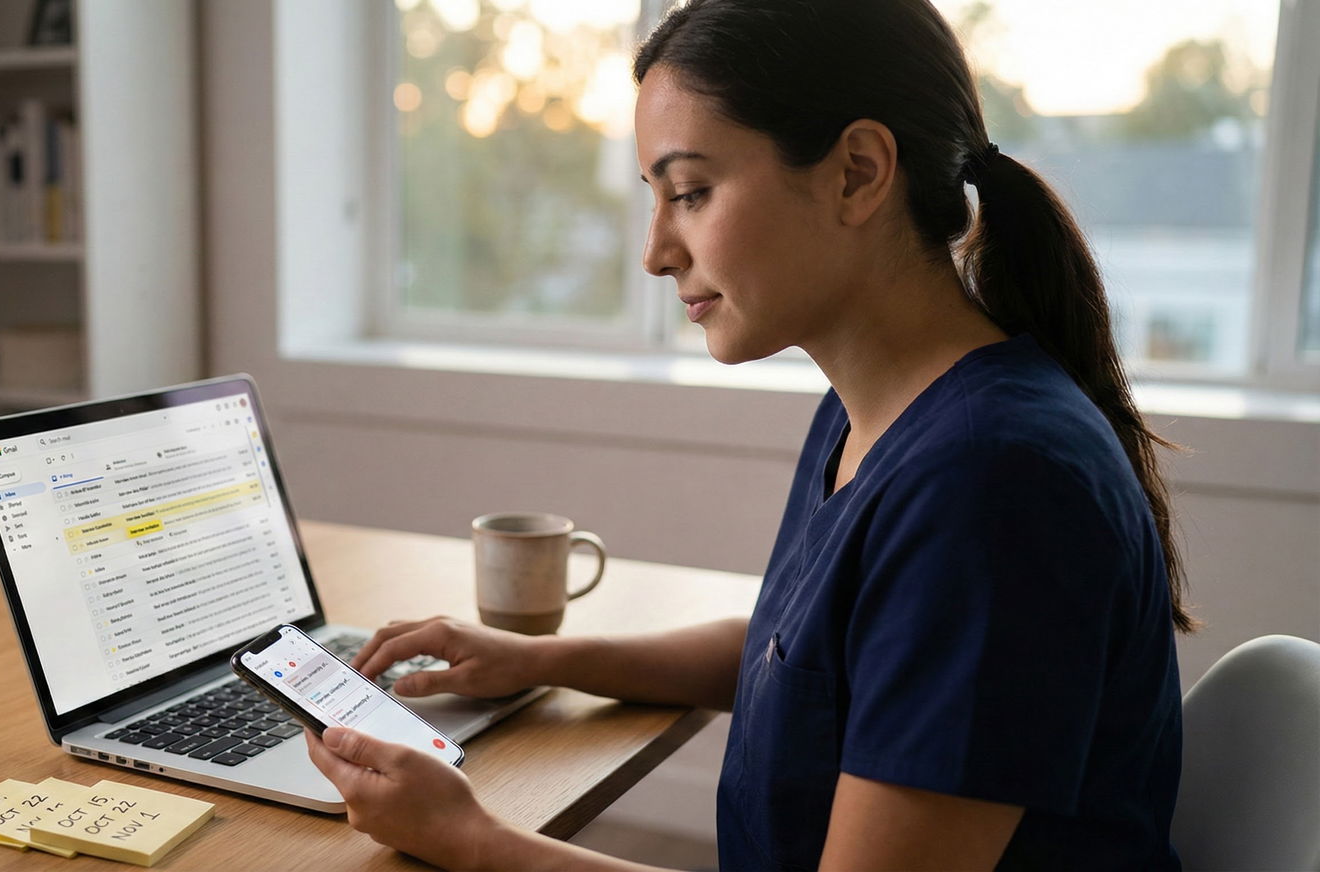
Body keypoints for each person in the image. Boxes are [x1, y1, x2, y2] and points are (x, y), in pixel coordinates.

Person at [303, 0, 1193, 868]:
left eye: (690, 192)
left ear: (856, 172)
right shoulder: (875, 411)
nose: (656, 250)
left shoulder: (989, 487)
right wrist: (541, 657)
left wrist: (473, 841)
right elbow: (804, 657)